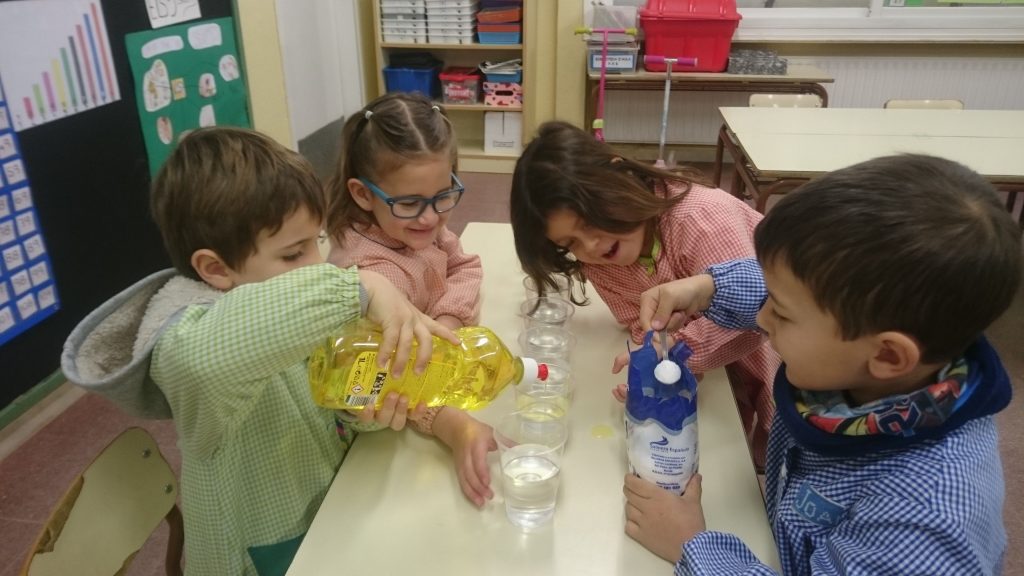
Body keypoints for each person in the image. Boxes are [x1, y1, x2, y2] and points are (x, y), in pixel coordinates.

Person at [61, 126, 456, 575]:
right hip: (259, 554)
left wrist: (356, 407)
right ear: (215, 268)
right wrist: (360, 284)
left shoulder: (290, 310)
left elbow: (328, 407)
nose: (316, 265)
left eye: (316, 243)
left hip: (326, 518)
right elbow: (208, 358)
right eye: (293, 255)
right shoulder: (187, 342)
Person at [623, 154, 1018, 574]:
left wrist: (693, 546)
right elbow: (800, 296)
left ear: (888, 355)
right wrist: (708, 288)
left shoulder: (923, 522)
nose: (763, 318)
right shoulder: (882, 353)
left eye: (781, 312)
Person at [510, 120, 780, 469]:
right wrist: (655, 370)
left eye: (590, 222)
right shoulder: (600, 263)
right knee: (726, 455)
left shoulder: (700, 218)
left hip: (779, 354)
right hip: (717, 375)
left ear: (619, 179)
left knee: (772, 452)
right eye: (570, 242)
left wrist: (673, 353)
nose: (590, 246)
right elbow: (643, 328)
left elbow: (748, 314)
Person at [326, 92, 497, 507]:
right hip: (372, 446)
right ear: (362, 194)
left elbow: (466, 267)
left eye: (443, 195)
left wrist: (446, 320)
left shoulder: (415, 224)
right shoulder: (370, 270)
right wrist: (453, 426)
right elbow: (393, 383)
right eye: (409, 203)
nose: (431, 217)